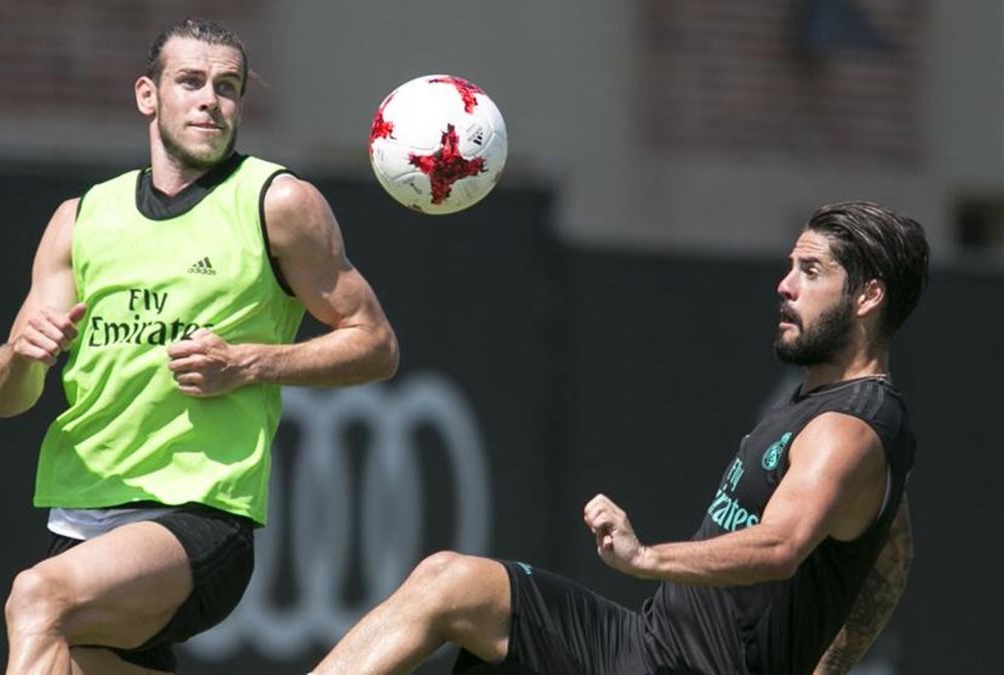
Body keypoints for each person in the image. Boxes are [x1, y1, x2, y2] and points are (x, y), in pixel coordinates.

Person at [314, 201, 928, 675]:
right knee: (450, 582)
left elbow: (779, 548)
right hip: (646, 648)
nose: (785, 284)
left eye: (810, 271)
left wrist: (646, 558)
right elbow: (889, 560)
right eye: (791, 266)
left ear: (868, 296)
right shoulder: (836, 412)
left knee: (451, 586)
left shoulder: (847, 429)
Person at [0, 19, 398, 675]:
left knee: (37, 597)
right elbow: (7, 398)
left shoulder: (276, 201)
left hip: (199, 518)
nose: (211, 99)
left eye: (227, 86)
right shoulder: (82, 216)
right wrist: (22, 358)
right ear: (148, 95)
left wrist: (251, 362)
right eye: (191, 81)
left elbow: (375, 344)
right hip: (80, 516)